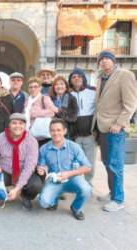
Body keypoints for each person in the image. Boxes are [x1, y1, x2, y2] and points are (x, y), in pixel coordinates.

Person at [92, 51, 137, 212]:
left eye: (106, 59)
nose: (103, 62)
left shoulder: (124, 75)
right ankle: (112, 192)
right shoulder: (100, 78)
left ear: (113, 61)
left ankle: (118, 199)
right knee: (106, 161)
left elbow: (131, 104)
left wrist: (120, 123)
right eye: (101, 59)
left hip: (115, 127)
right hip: (102, 126)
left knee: (115, 163)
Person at [37, 118, 92, 220]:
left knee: (86, 189)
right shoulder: (44, 149)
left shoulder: (74, 147)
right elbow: (41, 165)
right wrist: (41, 169)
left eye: (58, 130)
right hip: (55, 179)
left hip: (73, 178)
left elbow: (88, 167)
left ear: (64, 131)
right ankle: (54, 199)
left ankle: (76, 208)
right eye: (53, 130)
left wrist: (69, 173)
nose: (55, 133)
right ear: (49, 132)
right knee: (44, 203)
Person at [0, 113, 43, 210]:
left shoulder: (32, 141)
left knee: (36, 185)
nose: (18, 126)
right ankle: (1, 195)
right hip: (5, 171)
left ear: (25, 126)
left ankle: (26, 196)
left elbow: (29, 167)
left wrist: (17, 189)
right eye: (14, 123)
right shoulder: (0, 138)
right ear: (9, 125)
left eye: (21, 123)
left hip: (24, 171)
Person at [69, 68, 97, 184]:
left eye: (79, 76)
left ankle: (88, 183)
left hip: (90, 134)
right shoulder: (68, 95)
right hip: (74, 135)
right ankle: (76, 183)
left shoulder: (93, 92)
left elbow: (98, 111)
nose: (77, 79)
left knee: (89, 161)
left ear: (83, 78)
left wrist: (96, 131)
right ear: (70, 80)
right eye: (74, 77)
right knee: (74, 162)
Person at [24, 77, 57, 147]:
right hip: (30, 133)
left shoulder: (44, 98)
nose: (33, 89)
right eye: (31, 87)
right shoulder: (27, 100)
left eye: (35, 87)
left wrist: (36, 113)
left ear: (40, 88)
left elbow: (52, 112)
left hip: (42, 134)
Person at [49, 75, 78, 139]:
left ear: (66, 86)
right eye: (56, 84)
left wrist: (58, 111)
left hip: (66, 133)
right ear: (53, 87)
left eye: (62, 84)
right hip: (51, 132)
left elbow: (73, 118)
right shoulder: (50, 98)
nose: (59, 86)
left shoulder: (71, 98)